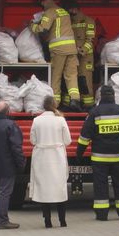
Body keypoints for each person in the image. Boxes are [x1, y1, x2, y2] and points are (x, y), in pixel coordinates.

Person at [76, 85, 119, 221]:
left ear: (101, 96)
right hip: (118, 157)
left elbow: (85, 136)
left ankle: (102, 214)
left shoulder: (95, 113)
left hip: (100, 158)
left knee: (100, 185)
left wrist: (79, 154)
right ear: (113, 96)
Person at [30, 0, 81, 112]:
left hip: (58, 49)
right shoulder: (64, 12)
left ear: (43, 2)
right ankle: (75, 100)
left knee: (56, 76)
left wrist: (32, 25)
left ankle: (55, 104)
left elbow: (43, 29)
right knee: (71, 75)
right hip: (71, 48)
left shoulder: (50, 11)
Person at [29, 96, 72, 228]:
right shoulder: (60, 120)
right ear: (54, 105)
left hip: (41, 157)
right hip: (57, 157)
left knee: (44, 189)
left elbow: (33, 141)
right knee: (59, 188)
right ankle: (62, 221)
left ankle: (47, 221)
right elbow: (68, 141)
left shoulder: (36, 120)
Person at [0, 101, 25, 229]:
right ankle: (2, 220)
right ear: (8, 112)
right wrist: (21, 163)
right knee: (5, 192)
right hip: (8, 163)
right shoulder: (10, 125)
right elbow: (16, 147)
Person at [61, 0, 96, 110]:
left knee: (84, 80)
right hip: (70, 56)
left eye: (69, 10)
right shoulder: (67, 22)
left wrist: (82, 51)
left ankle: (88, 105)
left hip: (85, 58)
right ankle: (68, 104)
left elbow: (90, 40)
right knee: (68, 79)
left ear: (74, 9)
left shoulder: (88, 21)